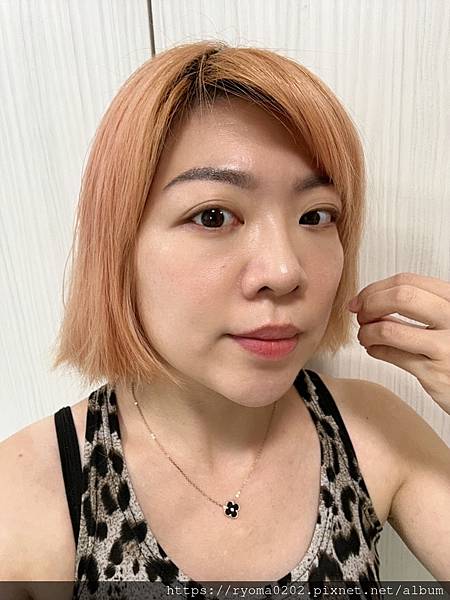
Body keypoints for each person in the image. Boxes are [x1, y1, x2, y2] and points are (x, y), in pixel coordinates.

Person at [0, 40, 449, 599]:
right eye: (213, 216)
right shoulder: (26, 499)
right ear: (120, 248)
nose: (284, 271)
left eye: (316, 215)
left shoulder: (372, 431)